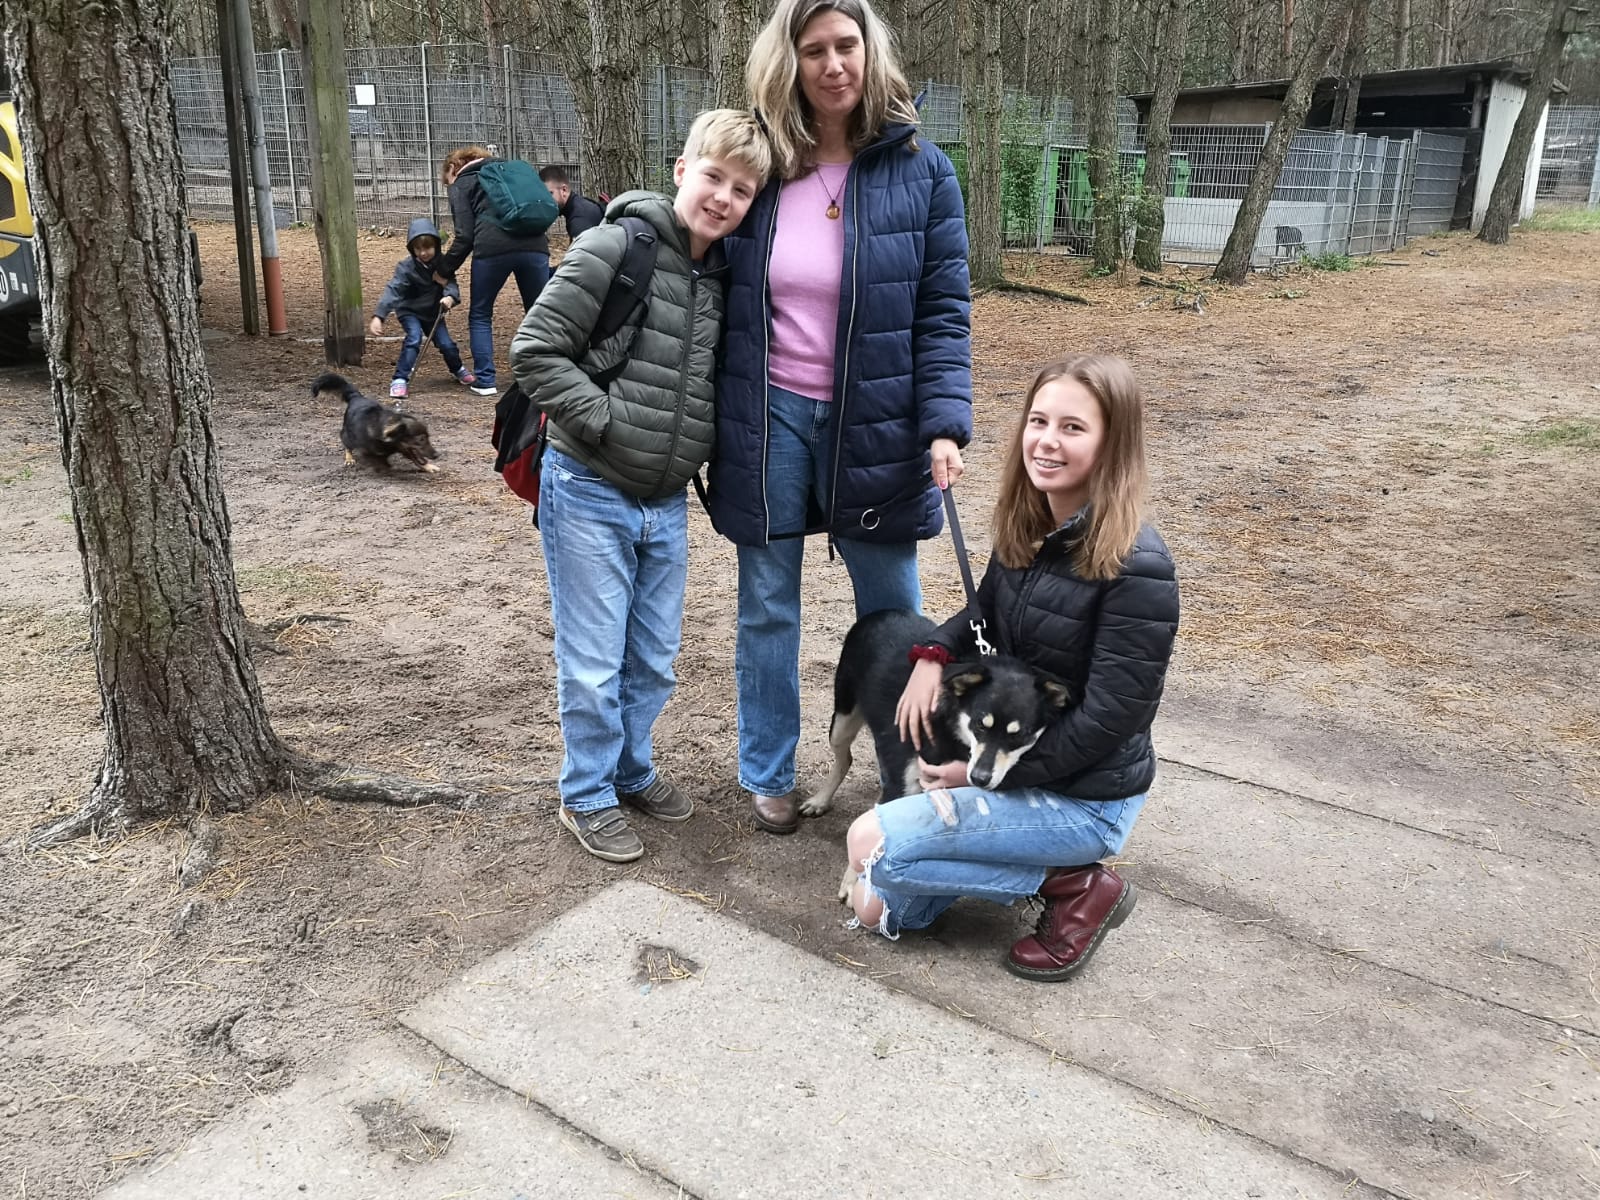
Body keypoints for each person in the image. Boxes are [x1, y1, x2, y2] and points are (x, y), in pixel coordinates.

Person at [707, 0, 973, 836]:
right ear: (787, 62)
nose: (833, 64)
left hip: (879, 419)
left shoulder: (922, 169)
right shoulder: (760, 165)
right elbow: (697, 260)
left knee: (895, 608)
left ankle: (915, 766)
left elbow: (943, 313)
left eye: (846, 45)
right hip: (768, 414)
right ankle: (768, 770)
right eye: (813, 49)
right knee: (767, 603)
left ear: (870, 51)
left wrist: (943, 423)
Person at [840, 354, 1180, 982]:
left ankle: (1072, 884)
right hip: (1029, 773)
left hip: (1087, 801)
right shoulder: (1031, 528)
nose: (1047, 441)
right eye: (1038, 421)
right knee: (871, 901)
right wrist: (932, 655)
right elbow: (984, 614)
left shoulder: (1139, 568)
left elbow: (1110, 720)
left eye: (1073, 427)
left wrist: (983, 780)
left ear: (1113, 444)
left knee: (870, 846)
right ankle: (999, 865)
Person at [509, 111, 772, 864]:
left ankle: (630, 767)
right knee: (594, 659)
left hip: (666, 499)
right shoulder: (615, 246)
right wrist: (605, 422)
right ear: (682, 169)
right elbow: (535, 349)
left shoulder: (721, 275)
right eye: (713, 177)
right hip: (588, 485)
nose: (723, 198)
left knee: (653, 656)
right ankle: (587, 793)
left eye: (742, 190)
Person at [437, 146, 552, 397]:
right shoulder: (510, 173)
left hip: (492, 249)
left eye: (446, 181)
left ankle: (486, 380)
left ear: (453, 168)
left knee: (480, 314)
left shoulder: (462, 183)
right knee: (539, 313)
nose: (448, 186)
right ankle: (544, 376)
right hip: (535, 245)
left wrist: (443, 269)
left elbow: (465, 236)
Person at [367, 218, 473, 400]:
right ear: (412, 249)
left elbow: (451, 284)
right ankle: (400, 378)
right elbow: (393, 289)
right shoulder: (406, 268)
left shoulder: (443, 263)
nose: (423, 253)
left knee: (446, 344)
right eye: (418, 249)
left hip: (433, 312)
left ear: (436, 246)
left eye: (428, 248)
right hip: (410, 311)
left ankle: (458, 369)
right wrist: (379, 315)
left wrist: (450, 297)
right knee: (414, 339)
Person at [539, 165, 606, 243]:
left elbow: (583, 251)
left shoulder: (579, 220)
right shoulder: (580, 205)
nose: (545, 200)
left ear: (564, 190)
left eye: (549, 194)